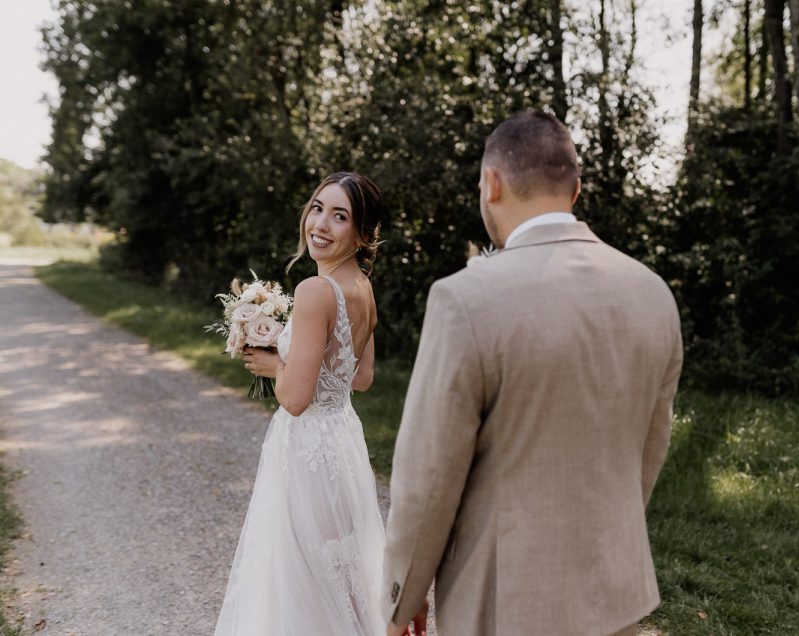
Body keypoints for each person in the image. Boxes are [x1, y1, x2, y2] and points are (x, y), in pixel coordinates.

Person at [381, 110, 683, 636]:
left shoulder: (466, 298)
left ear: (491, 184)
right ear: (576, 190)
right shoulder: (652, 292)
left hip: (506, 601)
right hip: (615, 593)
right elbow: (648, 453)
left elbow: (428, 478)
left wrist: (402, 599)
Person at [214, 172, 386, 635]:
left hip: (308, 449)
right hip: (343, 442)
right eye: (317, 208)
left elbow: (293, 400)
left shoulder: (315, 291)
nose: (321, 224)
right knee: (340, 574)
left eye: (340, 216)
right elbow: (363, 378)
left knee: (298, 577)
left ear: (363, 233)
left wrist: (275, 367)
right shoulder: (363, 287)